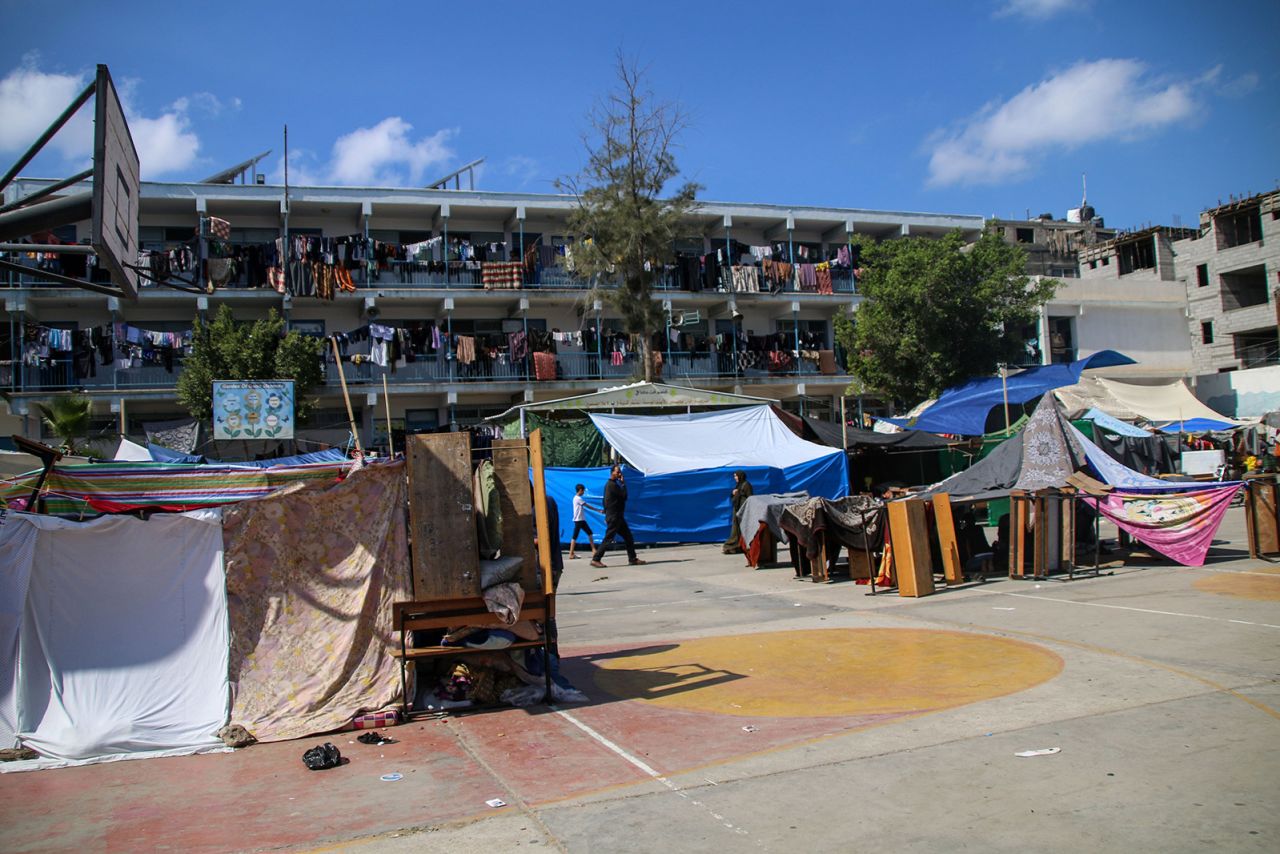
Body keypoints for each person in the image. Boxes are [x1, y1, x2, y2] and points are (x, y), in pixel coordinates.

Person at [590, 464, 646, 568]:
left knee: (628, 537)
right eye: (617, 472)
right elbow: (624, 496)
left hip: (616, 517)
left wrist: (607, 514)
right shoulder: (613, 486)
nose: (619, 473)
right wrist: (623, 484)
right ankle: (596, 559)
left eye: (620, 471)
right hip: (615, 517)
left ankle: (632, 558)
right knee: (608, 538)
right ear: (612, 473)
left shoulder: (609, 485)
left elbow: (604, 501)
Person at [722, 470, 753, 554]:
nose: (735, 478)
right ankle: (736, 545)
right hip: (737, 509)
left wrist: (738, 492)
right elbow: (735, 496)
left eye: (736, 476)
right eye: (734, 476)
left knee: (741, 528)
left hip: (743, 509)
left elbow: (750, 497)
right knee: (736, 528)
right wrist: (733, 493)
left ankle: (736, 545)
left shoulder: (746, 485)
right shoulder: (739, 485)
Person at [568, 483, 600, 560]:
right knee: (575, 536)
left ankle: (593, 550)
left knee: (589, 533)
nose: (583, 492)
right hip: (579, 520)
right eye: (583, 491)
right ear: (580, 490)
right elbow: (587, 505)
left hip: (581, 520)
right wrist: (597, 510)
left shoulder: (575, 498)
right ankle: (571, 553)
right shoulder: (578, 498)